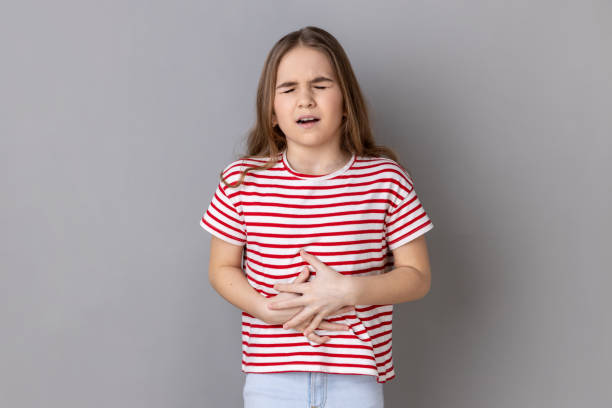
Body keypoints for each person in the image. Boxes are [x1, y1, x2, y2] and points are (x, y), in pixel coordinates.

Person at [199, 26, 434, 408]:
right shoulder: (242, 181)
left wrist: (349, 291)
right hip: (271, 377)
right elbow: (221, 268)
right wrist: (263, 308)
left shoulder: (385, 179)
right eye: (288, 89)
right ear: (271, 111)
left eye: (321, 86)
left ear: (346, 101)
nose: (305, 100)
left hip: (355, 379)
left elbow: (418, 276)